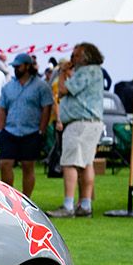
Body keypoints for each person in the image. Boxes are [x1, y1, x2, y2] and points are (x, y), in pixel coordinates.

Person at [47, 42, 104, 219]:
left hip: (80, 124)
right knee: (86, 164)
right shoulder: (94, 71)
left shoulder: (88, 71)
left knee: (70, 163)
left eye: (76, 55)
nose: (73, 58)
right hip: (90, 122)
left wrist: (63, 71)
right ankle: (85, 205)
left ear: (86, 57)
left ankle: (68, 206)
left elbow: (63, 89)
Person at [0, 52, 54, 199]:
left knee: (28, 166)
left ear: (28, 66)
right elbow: (1, 108)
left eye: (18, 66)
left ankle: (26, 200)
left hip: (32, 132)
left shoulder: (41, 86)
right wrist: (1, 129)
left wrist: (41, 130)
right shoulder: (8, 87)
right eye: (14, 66)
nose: (15, 69)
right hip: (10, 131)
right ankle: (9, 198)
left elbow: (47, 108)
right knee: (5, 164)